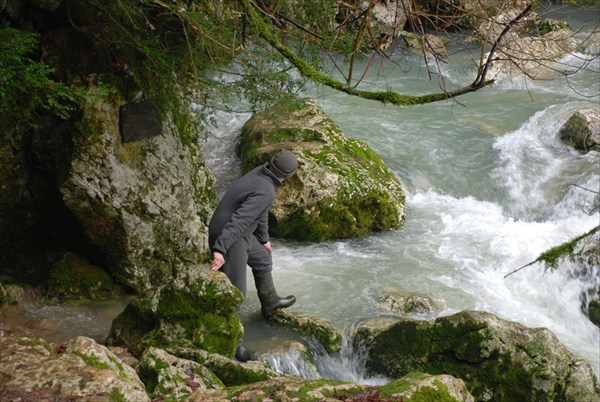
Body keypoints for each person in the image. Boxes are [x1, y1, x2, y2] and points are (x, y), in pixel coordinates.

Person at [208, 150, 298, 361]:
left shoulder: (262, 174)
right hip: (231, 237)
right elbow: (239, 220)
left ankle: (270, 302)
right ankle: (233, 345)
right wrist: (220, 249)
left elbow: (261, 212)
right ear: (290, 174)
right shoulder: (266, 189)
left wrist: (264, 239)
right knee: (237, 293)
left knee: (263, 259)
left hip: (245, 233)